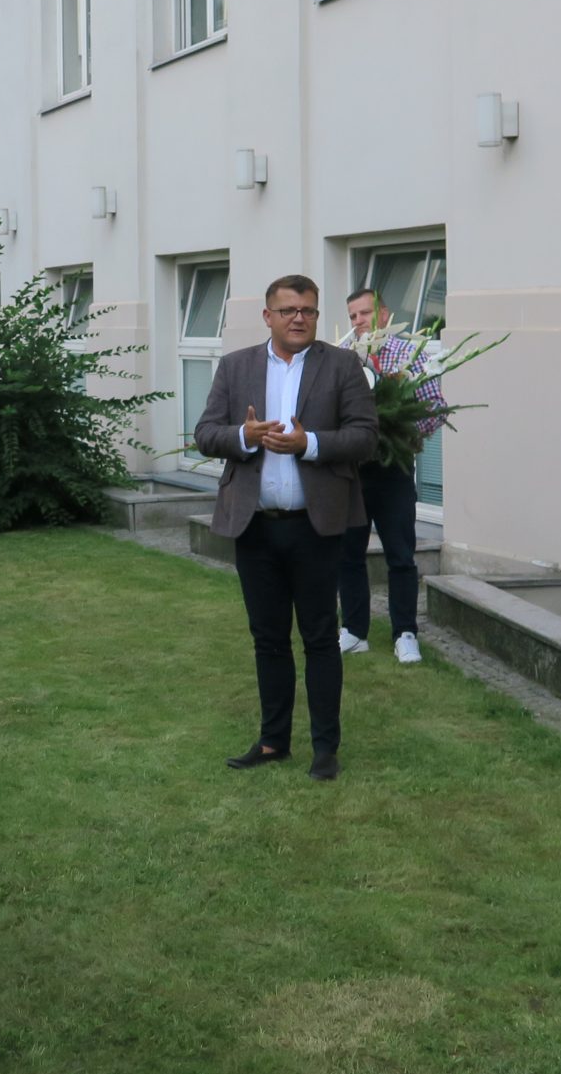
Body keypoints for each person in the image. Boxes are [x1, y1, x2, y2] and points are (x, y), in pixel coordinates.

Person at [193, 274, 379, 781]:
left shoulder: (342, 366)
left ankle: (325, 749)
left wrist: (309, 444)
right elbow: (205, 433)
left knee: (320, 638)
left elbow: (365, 437)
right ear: (268, 316)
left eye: (308, 311)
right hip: (255, 527)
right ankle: (273, 741)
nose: (299, 318)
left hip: (316, 527)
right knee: (268, 639)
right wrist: (244, 436)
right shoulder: (236, 367)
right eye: (289, 310)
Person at [335, 287, 441, 666]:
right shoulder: (343, 359)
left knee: (400, 554)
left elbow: (435, 406)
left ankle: (405, 633)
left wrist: (401, 430)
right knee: (348, 553)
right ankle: (354, 631)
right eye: (352, 316)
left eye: (364, 314)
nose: (358, 322)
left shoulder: (409, 354)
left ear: (383, 315)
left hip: (394, 469)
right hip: (352, 471)